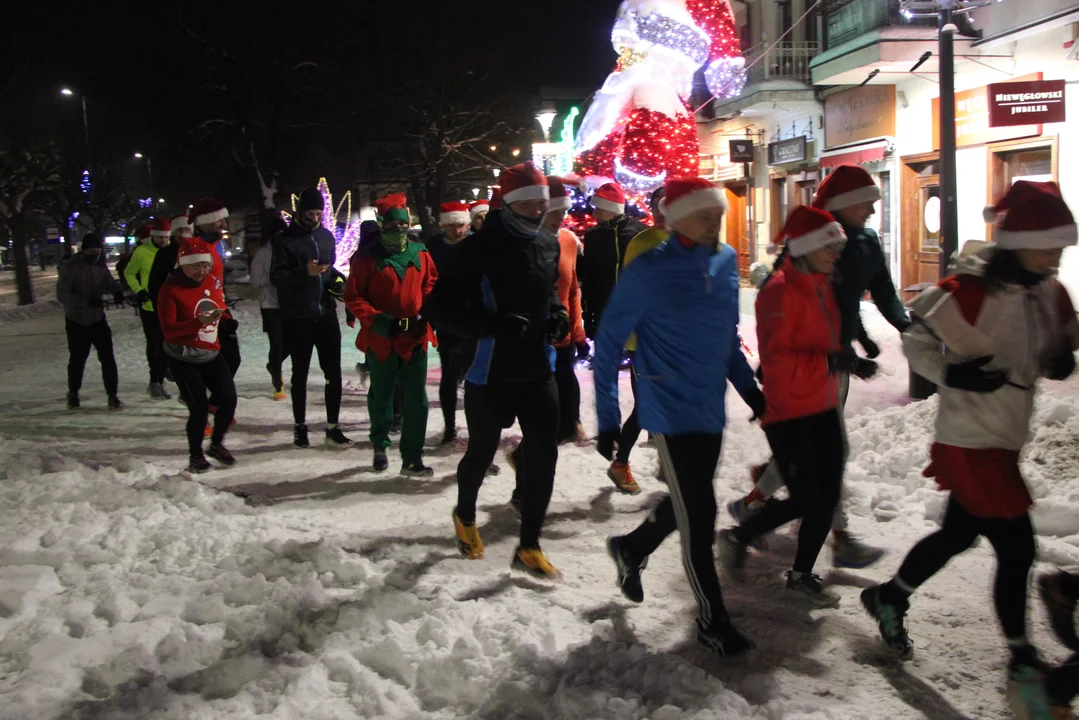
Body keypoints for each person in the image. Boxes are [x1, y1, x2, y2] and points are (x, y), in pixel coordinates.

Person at [862, 182, 1079, 684]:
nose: (1055, 257)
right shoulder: (971, 291)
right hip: (968, 439)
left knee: (958, 533)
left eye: (1060, 248)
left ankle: (889, 595)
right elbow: (917, 343)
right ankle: (1021, 655)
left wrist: (1060, 359)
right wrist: (950, 373)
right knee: (1018, 549)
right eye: (1047, 246)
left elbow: (1053, 349)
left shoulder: (1050, 293)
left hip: (1004, 438)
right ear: (1018, 243)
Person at [599, 177, 764, 656]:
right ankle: (712, 621)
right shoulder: (649, 269)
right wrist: (610, 420)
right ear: (676, 219)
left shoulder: (726, 260)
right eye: (705, 216)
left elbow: (726, 338)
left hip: (709, 405)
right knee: (701, 515)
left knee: (692, 503)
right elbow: (609, 344)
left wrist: (754, 395)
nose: (716, 223)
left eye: (718, 215)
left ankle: (632, 548)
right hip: (667, 408)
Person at [727, 164, 909, 569]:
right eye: (866, 203)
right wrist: (792, 362)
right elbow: (784, 317)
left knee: (820, 456)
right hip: (806, 371)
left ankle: (756, 504)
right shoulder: (799, 263)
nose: (872, 212)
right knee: (824, 458)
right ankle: (832, 534)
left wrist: (870, 333)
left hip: (833, 364)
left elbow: (869, 293)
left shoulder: (858, 245)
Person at [716, 206, 873, 608]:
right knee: (807, 497)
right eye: (830, 245)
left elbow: (823, 343)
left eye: (838, 245)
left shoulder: (820, 282)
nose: (836, 253)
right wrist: (828, 362)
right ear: (807, 246)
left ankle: (801, 574)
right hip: (788, 414)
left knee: (827, 494)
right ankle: (738, 536)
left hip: (821, 405)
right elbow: (778, 361)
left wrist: (848, 359)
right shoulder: (781, 289)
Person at [426, 162, 568, 579]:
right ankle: (465, 514)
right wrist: (490, 325)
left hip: (539, 369)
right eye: (527, 205)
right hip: (490, 372)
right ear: (507, 205)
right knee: (481, 452)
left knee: (544, 457)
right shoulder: (476, 248)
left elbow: (549, 295)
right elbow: (438, 308)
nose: (537, 212)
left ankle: (529, 546)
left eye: (542, 204)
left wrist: (557, 315)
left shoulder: (548, 243)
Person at [505, 175, 588, 511]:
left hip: (563, 340)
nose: (559, 217)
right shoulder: (523, 242)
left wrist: (578, 330)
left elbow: (572, 290)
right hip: (534, 345)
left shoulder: (567, 240)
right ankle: (524, 490)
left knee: (566, 425)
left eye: (562, 211)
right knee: (542, 423)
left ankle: (523, 460)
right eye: (553, 211)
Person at [343, 193, 437, 474]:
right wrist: (380, 321)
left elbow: (431, 281)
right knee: (381, 397)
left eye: (402, 227)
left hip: (416, 337)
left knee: (417, 400)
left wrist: (427, 308)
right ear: (382, 226)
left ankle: (412, 457)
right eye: (392, 227)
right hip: (382, 340)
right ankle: (380, 444)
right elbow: (354, 296)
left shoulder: (420, 252)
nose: (398, 232)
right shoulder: (366, 257)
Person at [579, 181, 647, 491]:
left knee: (647, 392)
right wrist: (588, 317)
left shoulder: (639, 231)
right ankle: (614, 442)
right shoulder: (593, 237)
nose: (594, 212)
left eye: (599, 207)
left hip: (640, 323)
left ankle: (633, 448)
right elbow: (589, 279)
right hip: (608, 319)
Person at [271, 188, 352, 449]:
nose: (315, 218)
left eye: (319, 213)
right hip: (298, 317)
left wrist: (338, 282)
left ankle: (333, 426)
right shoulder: (285, 240)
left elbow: (330, 270)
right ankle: (300, 426)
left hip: (325, 314)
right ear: (299, 211)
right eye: (310, 213)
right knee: (300, 375)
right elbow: (277, 278)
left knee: (333, 374)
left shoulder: (326, 236)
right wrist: (303, 273)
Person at [157, 238, 238, 473]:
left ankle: (216, 444)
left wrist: (227, 321)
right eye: (195, 266)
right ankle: (196, 455)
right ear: (182, 264)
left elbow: (218, 306)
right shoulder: (170, 290)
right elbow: (169, 330)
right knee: (199, 408)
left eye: (204, 265)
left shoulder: (211, 281)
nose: (200, 271)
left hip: (211, 352)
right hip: (183, 357)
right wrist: (196, 323)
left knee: (229, 399)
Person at [148, 198, 241, 382]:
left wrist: (224, 312)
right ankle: (201, 396)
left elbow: (215, 283)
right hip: (199, 312)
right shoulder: (191, 249)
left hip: (216, 310)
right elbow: (168, 284)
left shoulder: (214, 245)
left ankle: (210, 398)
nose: (223, 224)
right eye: (218, 220)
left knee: (230, 358)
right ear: (204, 221)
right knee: (218, 360)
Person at [56, 233, 125, 411]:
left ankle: (112, 395)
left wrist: (117, 291)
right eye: (91, 251)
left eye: (98, 251)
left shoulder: (101, 267)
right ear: (83, 250)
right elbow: (63, 294)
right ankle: (73, 393)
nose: (95, 254)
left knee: (108, 358)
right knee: (78, 359)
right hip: (76, 320)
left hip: (98, 319)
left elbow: (109, 282)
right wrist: (84, 302)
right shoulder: (70, 268)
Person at [425, 201, 475, 443]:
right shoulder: (433, 247)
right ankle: (449, 426)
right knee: (450, 373)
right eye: (453, 226)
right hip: (446, 319)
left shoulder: (475, 244)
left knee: (474, 376)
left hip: (473, 318)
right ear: (444, 225)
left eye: (462, 225)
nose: (458, 230)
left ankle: (477, 428)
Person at [125, 217, 173, 399]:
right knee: (155, 344)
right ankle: (156, 381)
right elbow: (129, 272)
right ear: (153, 236)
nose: (163, 241)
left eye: (166, 238)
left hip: (169, 306)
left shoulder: (170, 252)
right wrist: (139, 291)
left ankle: (163, 372)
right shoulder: (141, 252)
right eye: (160, 238)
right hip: (150, 307)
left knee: (168, 344)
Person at [251, 216, 290, 400]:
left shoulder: (289, 250)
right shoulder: (262, 255)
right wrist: (274, 278)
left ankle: (273, 365)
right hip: (270, 305)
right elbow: (255, 281)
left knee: (292, 342)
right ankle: (277, 383)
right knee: (277, 344)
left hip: (289, 304)